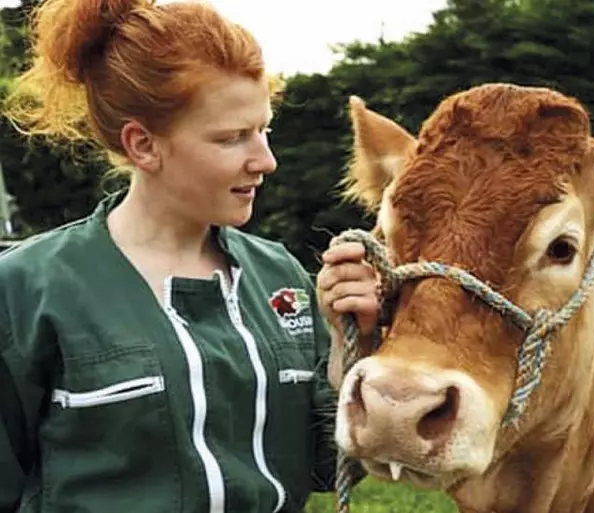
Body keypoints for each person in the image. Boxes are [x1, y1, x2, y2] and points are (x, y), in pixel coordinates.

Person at [0, 0, 379, 511]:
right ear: (143, 146)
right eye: (231, 138)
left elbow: (325, 466)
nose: (266, 160)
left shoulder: (280, 277)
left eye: (264, 129)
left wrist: (347, 345)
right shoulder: (27, 288)